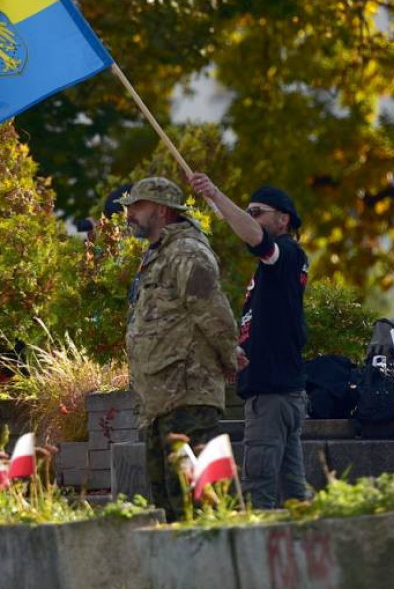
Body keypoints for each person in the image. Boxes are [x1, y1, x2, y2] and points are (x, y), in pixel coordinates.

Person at [119, 177, 238, 521]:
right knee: (168, 505)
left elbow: (212, 311)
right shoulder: (158, 255)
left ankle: (209, 573)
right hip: (159, 399)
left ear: (161, 209)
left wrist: (230, 358)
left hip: (188, 394)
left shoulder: (187, 251)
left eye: (137, 207)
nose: (129, 214)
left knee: (197, 501)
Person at [189, 172, 310, 510]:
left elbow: (256, 239)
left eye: (258, 211)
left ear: (282, 219)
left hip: (272, 396)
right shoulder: (272, 270)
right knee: (294, 492)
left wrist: (214, 193)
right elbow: (263, 325)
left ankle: (262, 557)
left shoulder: (286, 253)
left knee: (259, 491)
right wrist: (238, 354)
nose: (251, 216)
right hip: (274, 389)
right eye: (249, 210)